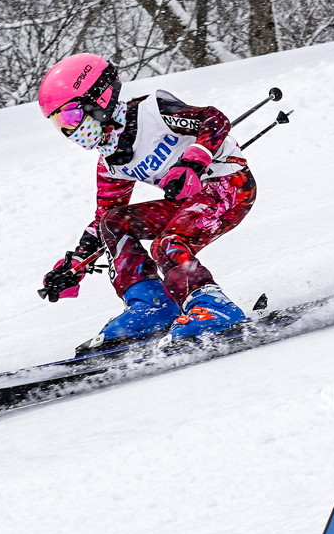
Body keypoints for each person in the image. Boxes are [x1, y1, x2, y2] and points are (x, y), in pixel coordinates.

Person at [36, 53, 257, 355]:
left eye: (72, 117)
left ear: (98, 98)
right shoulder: (111, 161)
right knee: (113, 223)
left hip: (230, 186)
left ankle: (214, 310)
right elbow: (103, 215)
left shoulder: (152, 112)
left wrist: (193, 162)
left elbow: (213, 119)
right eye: (61, 124)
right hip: (189, 203)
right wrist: (76, 264)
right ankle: (152, 308)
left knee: (169, 244)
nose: (71, 131)